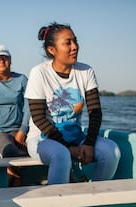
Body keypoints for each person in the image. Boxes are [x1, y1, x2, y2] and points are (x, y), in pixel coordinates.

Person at [24, 22, 121, 184]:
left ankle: (92, 197)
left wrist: (89, 143)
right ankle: (56, 206)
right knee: (61, 155)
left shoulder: (86, 71)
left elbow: (95, 112)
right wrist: (69, 148)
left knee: (112, 152)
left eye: (75, 41)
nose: (74, 46)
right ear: (51, 50)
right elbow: (39, 118)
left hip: (76, 135)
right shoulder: (39, 73)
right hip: (42, 138)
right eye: (67, 42)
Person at [0, 45, 30, 186]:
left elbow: (29, 106)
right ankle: (16, 180)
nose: (2, 62)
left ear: (10, 60)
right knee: (11, 151)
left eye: (4, 58)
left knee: (41, 146)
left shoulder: (22, 79)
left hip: (20, 129)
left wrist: (23, 130)